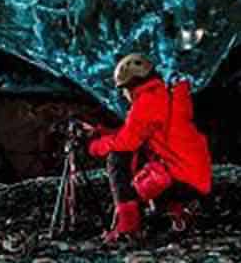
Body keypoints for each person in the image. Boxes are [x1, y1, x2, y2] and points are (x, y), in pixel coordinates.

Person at [88, 54, 213, 241]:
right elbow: (136, 131)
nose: (124, 95)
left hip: (181, 178)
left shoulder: (148, 101)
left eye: (124, 89)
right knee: (140, 155)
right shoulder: (166, 93)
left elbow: (126, 143)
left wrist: (94, 147)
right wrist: (101, 131)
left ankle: (127, 226)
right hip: (195, 177)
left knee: (118, 159)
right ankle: (178, 211)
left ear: (131, 85)